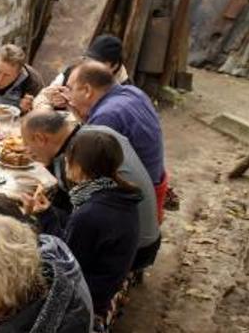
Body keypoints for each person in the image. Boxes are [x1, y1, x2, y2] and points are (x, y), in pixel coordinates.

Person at [20, 108, 161, 269]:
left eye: (26, 144)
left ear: (40, 138)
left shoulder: (79, 165)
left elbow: (68, 258)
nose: (27, 151)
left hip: (134, 252)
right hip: (144, 238)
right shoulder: (96, 134)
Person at [26, 128, 141, 316]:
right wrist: (47, 212)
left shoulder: (92, 213)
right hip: (101, 276)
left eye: (68, 157)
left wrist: (44, 218)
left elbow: (66, 261)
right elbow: (76, 235)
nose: (64, 161)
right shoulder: (115, 192)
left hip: (89, 295)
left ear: (78, 166)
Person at [66, 61, 167, 219]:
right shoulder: (132, 92)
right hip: (155, 182)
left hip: (138, 200)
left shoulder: (108, 115)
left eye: (70, 89)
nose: (68, 95)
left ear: (86, 90)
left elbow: (86, 170)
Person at [37, 34, 130, 111]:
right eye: (89, 60)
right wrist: (49, 107)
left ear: (114, 66)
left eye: (97, 62)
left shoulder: (124, 91)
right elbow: (43, 97)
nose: (90, 65)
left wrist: (72, 102)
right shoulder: (74, 72)